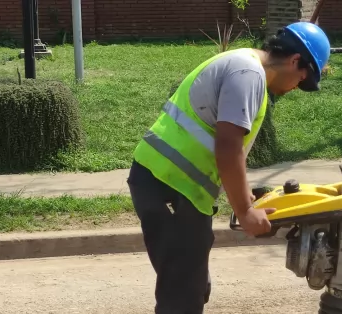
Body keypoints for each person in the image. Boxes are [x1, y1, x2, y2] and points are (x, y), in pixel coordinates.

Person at [126, 21, 331, 313]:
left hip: (164, 183)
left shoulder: (243, 63)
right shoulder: (248, 74)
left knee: (190, 284)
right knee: (182, 294)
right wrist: (246, 212)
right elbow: (228, 148)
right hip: (170, 186)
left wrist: (246, 197)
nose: (297, 87)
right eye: (302, 80)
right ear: (295, 61)